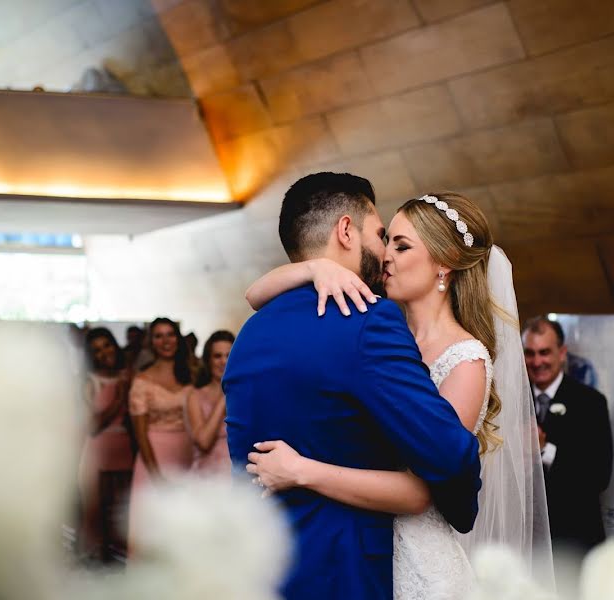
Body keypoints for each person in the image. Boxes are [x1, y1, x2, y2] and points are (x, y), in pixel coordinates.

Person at [245, 190, 553, 598]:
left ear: (443, 263)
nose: (385, 255)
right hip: (361, 551)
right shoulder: (380, 330)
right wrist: (316, 268)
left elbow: (420, 493)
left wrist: (302, 471)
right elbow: (255, 295)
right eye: (387, 239)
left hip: (419, 566)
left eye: (401, 245)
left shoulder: (466, 360)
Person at [224, 173, 483, 600]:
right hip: (346, 572)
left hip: (263, 570)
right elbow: (450, 453)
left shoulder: (250, 333)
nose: (384, 254)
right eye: (382, 236)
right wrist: (456, 506)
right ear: (346, 230)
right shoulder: (368, 320)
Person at [523, 317, 612, 559]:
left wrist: (545, 450)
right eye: (529, 353)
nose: (537, 361)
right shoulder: (511, 404)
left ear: (562, 353)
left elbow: (599, 476)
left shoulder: (591, 403)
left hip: (575, 540)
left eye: (544, 352)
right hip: (527, 543)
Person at [127, 318, 194, 551]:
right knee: (153, 528)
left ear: (178, 337)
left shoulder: (192, 373)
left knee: (186, 525)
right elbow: (140, 434)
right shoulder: (142, 381)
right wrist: (155, 475)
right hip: (154, 454)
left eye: (170, 334)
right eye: (159, 336)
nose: (166, 341)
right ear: (151, 342)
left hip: (188, 453)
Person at [77, 327, 132, 562]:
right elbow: (92, 425)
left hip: (126, 447)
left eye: (107, 346)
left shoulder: (128, 375)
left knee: (122, 511)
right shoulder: (89, 382)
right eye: (97, 350)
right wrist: (118, 400)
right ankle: (97, 565)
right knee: (98, 513)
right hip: (99, 450)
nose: (104, 352)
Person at [185, 330, 235, 474]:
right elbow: (204, 442)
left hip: (240, 474)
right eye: (217, 356)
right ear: (208, 360)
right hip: (208, 475)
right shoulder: (195, 395)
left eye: (229, 355)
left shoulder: (247, 393)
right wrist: (224, 396)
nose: (224, 361)